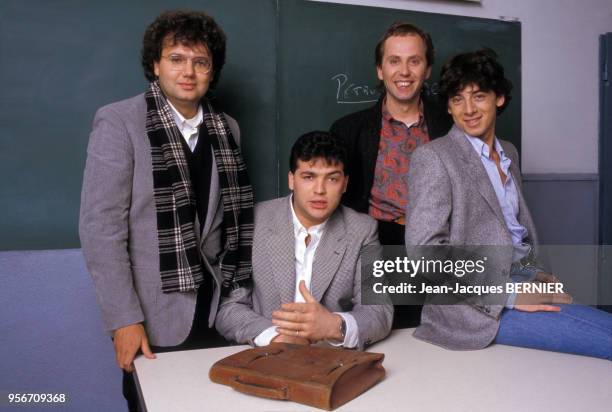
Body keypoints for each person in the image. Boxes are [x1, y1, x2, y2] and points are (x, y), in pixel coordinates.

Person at [79, 10, 254, 410]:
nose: (188, 71)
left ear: (212, 71)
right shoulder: (119, 122)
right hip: (152, 318)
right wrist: (123, 319)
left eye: (200, 61)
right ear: (156, 64)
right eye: (176, 58)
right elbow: (100, 229)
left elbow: (229, 224)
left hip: (215, 311)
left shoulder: (229, 128)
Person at [405, 49, 611, 360]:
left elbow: (512, 232)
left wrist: (536, 275)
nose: (469, 109)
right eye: (458, 99)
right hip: (471, 311)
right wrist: (511, 295)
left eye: (479, 96)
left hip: (521, 280)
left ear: (498, 98)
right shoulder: (434, 158)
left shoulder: (509, 153)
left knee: (597, 326)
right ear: (448, 106)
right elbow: (425, 253)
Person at [215, 132, 393, 350]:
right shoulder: (253, 222)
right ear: (292, 179)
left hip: (330, 359)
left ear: (345, 184)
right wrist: (275, 337)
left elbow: (379, 312)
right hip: (265, 355)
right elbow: (229, 307)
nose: (319, 190)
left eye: (332, 178)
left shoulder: (363, 230)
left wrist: (334, 326)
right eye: (309, 177)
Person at [330, 21, 452, 328]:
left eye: (415, 61)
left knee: (438, 336)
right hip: (377, 247)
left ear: (427, 70)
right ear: (380, 70)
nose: (405, 71)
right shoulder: (349, 130)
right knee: (386, 336)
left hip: (437, 246)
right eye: (394, 61)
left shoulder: (451, 127)